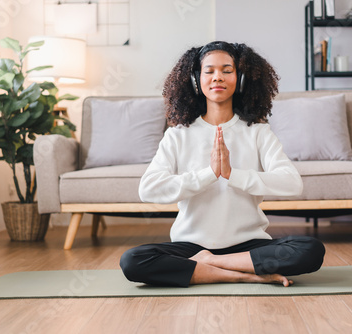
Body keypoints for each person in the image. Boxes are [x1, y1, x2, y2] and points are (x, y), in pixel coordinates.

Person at [119, 41, 325, 287]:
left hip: (248, 244)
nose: (218, 77)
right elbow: (149, 189)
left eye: (227, 71)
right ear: (196, 80)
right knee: (133, 260)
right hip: (192, 246)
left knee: (310, 249)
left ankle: (210, 266)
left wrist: (231, 174)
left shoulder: (258, 132)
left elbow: (292, 183)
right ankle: (241, 274)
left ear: (240, 79)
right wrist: (209, 175)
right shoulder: (178, 134)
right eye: (210, 71)